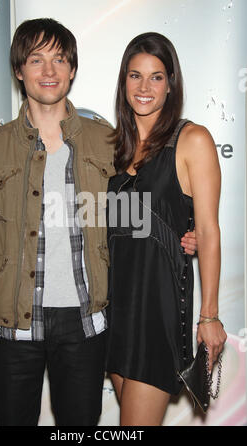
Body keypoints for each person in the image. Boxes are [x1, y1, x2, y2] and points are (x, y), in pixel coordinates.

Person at [0, 19, 196, 426]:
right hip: (12, 327)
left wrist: (181, 236)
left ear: (72, 69)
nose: (48, 71)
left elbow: (134, 215)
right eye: (36, 60)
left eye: (59, 59)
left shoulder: (108, 141)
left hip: (86, 324)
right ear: (19, 70)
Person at [106, 32, 227, 426]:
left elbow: (207, 230)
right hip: (116, 311)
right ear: (123, 81)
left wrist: (208, 317)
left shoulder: (192, 140)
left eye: (156, 77)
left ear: (171, 83)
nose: (144, 87)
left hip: (158, 313)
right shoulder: (115, 148)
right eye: (135, 76)